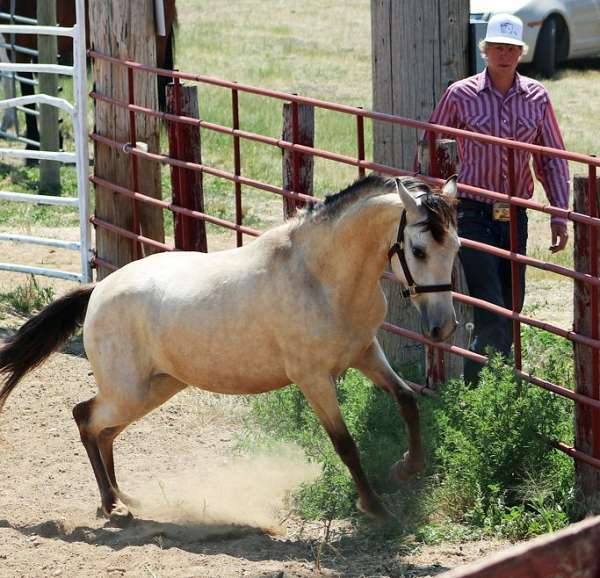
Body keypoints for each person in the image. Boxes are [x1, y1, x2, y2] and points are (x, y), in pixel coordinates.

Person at [423, 13, 570, 385]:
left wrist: (558, 213)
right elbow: (431, 143)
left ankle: (493, 390)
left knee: (511, 303)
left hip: (514, 212)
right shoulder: (461, 94)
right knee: (490, 302)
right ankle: (486, 393)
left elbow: (550, 156)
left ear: (520, 53)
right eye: (497, 48)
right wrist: (432, 202)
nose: (504, 55)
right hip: (472, 208)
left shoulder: (537, 96)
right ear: (485, 51)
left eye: (511, 49)